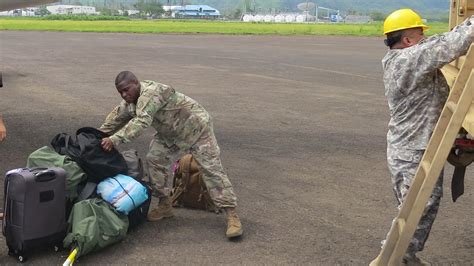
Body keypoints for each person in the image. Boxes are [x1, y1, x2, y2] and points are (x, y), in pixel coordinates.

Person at [373, 9, 474, 265]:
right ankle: (395, 258)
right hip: (412, 151)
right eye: (419, 34)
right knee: (420, 206)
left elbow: (434, 43)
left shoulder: (404, 56)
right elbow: (451, 44)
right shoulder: (410, 60)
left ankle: (403, 256)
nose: (424, 38)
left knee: (414, 207)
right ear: (407, 40)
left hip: (410, 146)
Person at [99, 71, 243, 239]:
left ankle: (231, 215)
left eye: (126, 90)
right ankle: (165, 203)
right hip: (171, 134)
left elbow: (141, 121)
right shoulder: (130, 102)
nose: (124, 95)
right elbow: (115, 118)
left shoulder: (151, 93)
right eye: (120, 92)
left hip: (196, 128)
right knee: (154, 159)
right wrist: (96, 135)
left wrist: (114, 139)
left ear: (136, 83)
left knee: (211, 169)